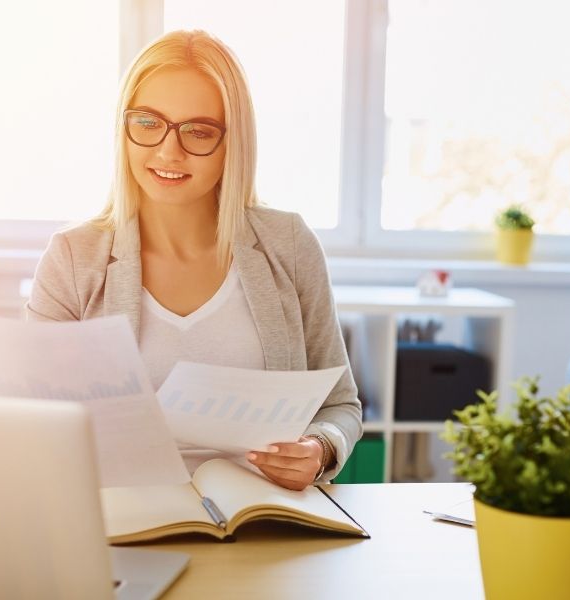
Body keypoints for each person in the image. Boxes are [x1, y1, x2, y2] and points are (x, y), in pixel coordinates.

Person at [26, 29, 362, 491]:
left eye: (199, 132)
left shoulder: (288, 244)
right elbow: (36, 422)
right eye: (147, 123)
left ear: (233, 144)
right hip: (127, 523)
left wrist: (319, 449)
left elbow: (340, 405)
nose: (169, 152)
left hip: (262, 520)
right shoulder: (72, 257)